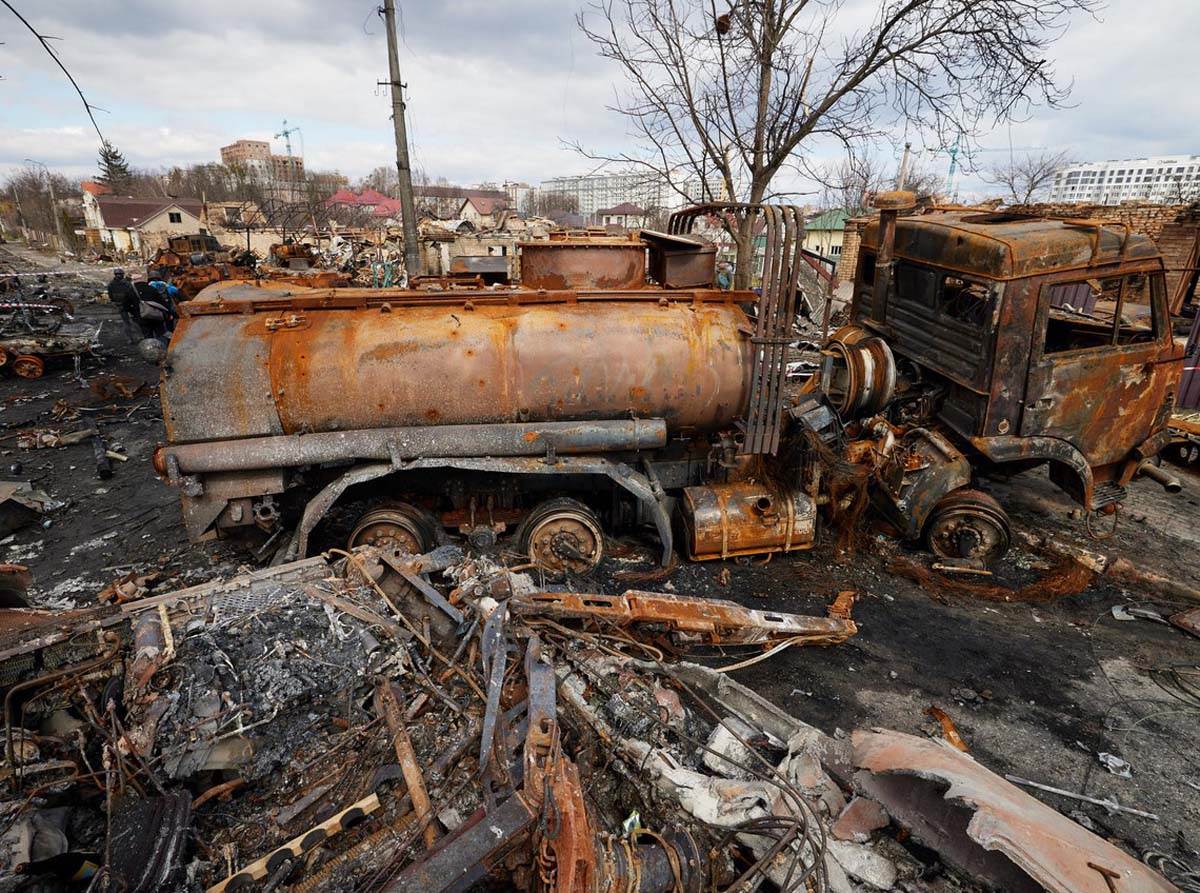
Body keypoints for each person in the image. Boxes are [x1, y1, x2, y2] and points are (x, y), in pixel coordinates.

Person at [106, 268, 140, 344]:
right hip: (129, 305)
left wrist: (115, 302)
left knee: (126, 322)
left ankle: (130, 339)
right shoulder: (127, 283)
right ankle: (139, 336)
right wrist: (136, 304)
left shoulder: (111, 284)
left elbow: (110, 295)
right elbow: (133, 295)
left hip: (120, 305)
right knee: (136, 320)